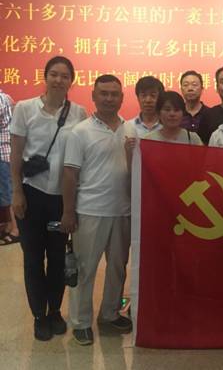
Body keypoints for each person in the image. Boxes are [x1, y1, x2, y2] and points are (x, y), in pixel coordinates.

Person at [9, 56, 87, 341]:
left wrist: (72, 206)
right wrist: (17, 192)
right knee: (33, 258)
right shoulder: (25, 108)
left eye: (64, 76)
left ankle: (54, 311)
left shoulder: (79, 113)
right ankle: (38, 316)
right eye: (54, 74)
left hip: (61, 199)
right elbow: (16, 154)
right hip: (31, 194)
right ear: (45, 76)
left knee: (57, 258)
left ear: (71, 81)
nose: (58, 80)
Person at [61, 74, 133, 346]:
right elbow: (70, 174)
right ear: (93, 96)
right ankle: (80, 322)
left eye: (114, 94)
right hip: (90, 211)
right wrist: (69, 212)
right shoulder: (80, 131)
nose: (109, 98)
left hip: (123, 211)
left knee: (117, 268)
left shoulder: (130, 130)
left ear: (122, 98)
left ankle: (110, 314)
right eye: (104, 93)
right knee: (85, 269)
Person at [0, 88, 19, 245]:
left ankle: (15, 229)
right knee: (8, 192)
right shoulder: (6, 97)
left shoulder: (0, 99)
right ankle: (8, 226)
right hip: (8, 152)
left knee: (9, 194)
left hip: (3, 153)